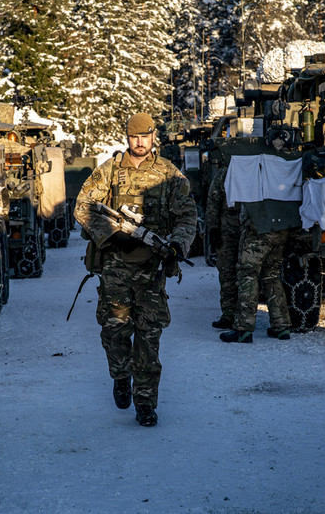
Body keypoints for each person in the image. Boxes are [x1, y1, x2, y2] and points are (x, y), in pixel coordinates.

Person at [74, 112, 196, 427]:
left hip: (152, 270)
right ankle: (120, 374)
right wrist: (112, 235)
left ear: (154, 136)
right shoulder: (111, 171)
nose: (139, 143)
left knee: (149, 337)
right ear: (126, 138)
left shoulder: (168, 174)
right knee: (115, 332)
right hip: (115, 267)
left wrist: (178, 245)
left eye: (144, 136)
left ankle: (145, 403)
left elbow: (187, 214)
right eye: (133, 137)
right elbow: (83, 206)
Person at [219, 198, 299, 343]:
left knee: (248, 275)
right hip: (281, 227)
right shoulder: (279, 175)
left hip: (259, 229)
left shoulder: (251, 176)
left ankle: (243, 328)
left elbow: (243, 213)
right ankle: (281, 327)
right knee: (271, 275)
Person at [205, 162, 241, 330]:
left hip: (249, 230)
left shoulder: (256, 168)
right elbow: (213, 203)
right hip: (227, 232)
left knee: (249, 275)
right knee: (227, 273)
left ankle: (244, 316)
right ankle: (229, 315)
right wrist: (213, 229)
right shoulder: (225, 174)